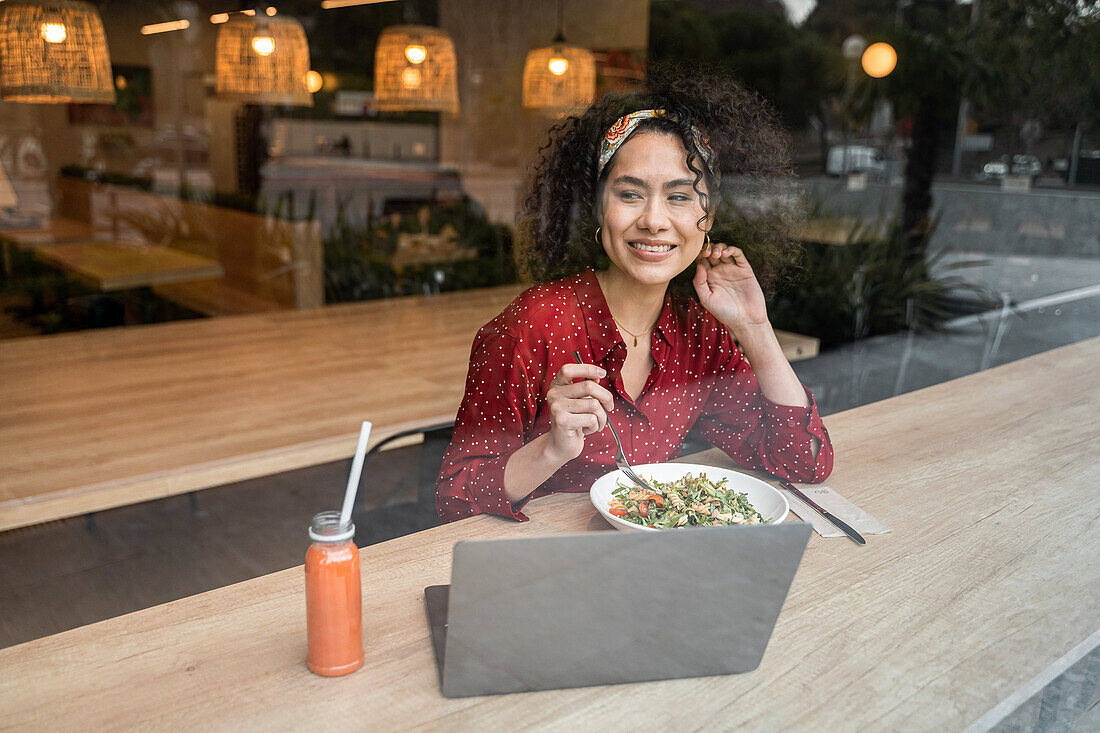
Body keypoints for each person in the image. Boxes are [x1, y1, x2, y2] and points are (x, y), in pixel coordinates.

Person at [436, 73, 833, 523]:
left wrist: (755, 329)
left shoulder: (698, 332)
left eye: (680, 197)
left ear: (709, 218)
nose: (654, 220)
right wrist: (551, 449)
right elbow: (455, 500)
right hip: (540, 569)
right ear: (596, 207)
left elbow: (803, 462)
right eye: (630, 194)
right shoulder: (534, 324)